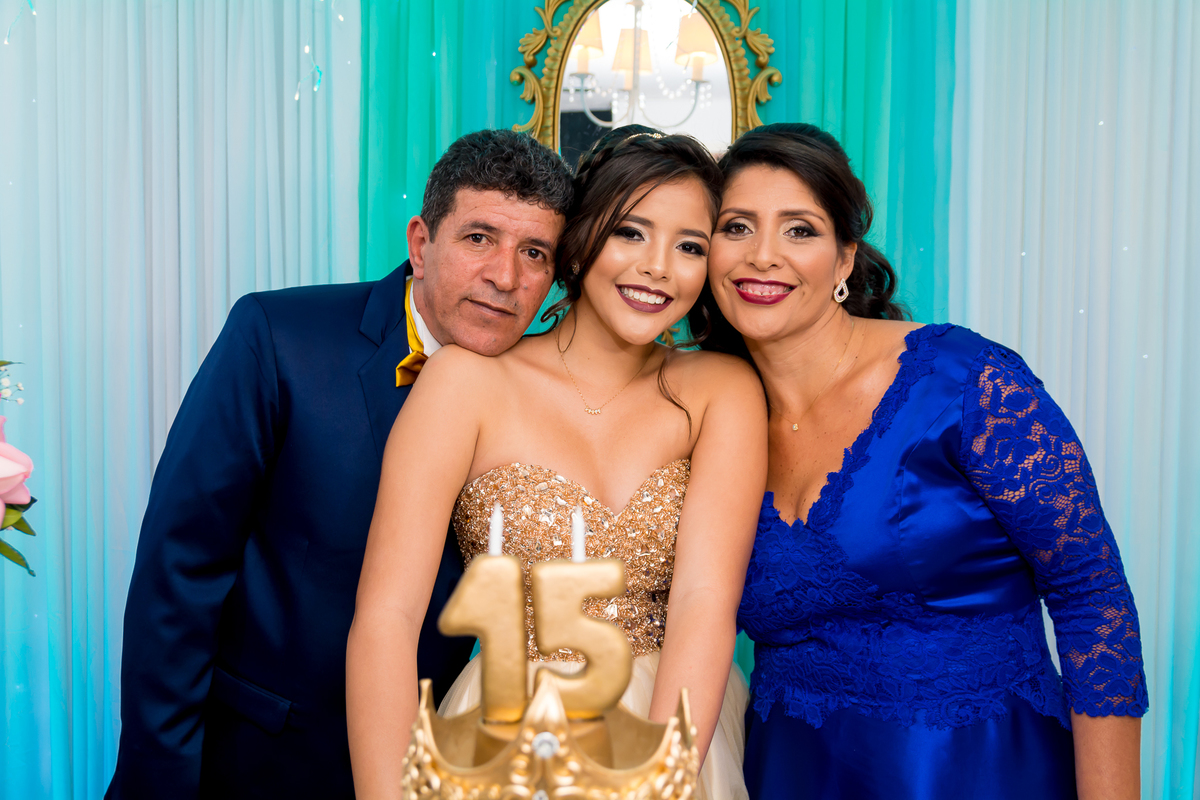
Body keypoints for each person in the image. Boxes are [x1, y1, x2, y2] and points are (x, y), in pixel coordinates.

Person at [106, 130, 574, 799]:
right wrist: (160, 786)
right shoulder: (278, 337)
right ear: (421, 244)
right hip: (253, 763)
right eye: (479, 238)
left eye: (535, 253)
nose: (506, 277)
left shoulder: (547, 396)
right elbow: (178, 573)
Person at [702, 123, 1148, 799]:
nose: (763, 256)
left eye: (799, 230)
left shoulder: (964, 380)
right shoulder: (710, 415)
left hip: (984, 773)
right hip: (788, 774)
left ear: (845, 259)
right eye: (737, 227)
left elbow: (1092, 595)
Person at [346, 127, 767, 800]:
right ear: (580, 240)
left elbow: (704, 603)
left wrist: (662, 778)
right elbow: (387, 618)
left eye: (690, 246)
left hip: (673, 717)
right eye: (631, 233)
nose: (659, 267)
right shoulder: (465, 382)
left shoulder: (723, 391)